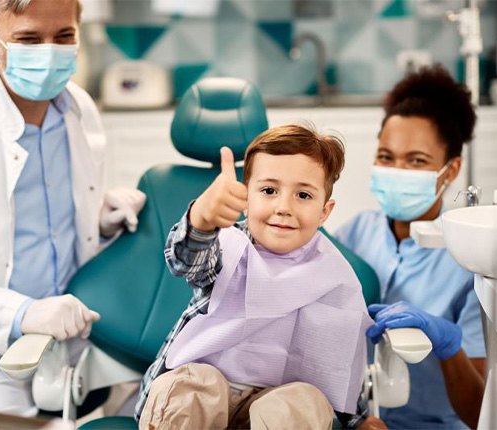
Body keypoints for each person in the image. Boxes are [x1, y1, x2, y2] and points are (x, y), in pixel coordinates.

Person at [0, 0, 145, 416]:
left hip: (76, 335)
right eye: (29, 39)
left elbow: (46, 217)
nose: (49, 52)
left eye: (64, 37)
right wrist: (22, 312)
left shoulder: (80, 109)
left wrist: (97, 218)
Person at [134, 124, 373, 430]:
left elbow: (334, 359)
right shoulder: (227, 245)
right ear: (246, 197)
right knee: (192, 386)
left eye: (303, 194)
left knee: (305, 401)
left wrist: (359, 420)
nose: (284, 208)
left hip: (271, 408)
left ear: (324, 211)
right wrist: (203, 220)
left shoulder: (333, 276)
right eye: (269, 190)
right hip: (202, 407)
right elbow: (187, 261)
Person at [333, 65, 486, 429]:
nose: (397, 169)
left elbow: (483, 414)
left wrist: (450, 348)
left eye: (416, 160)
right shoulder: (353, 235)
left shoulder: (470, 258)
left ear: (450, 170)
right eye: (386, 157)